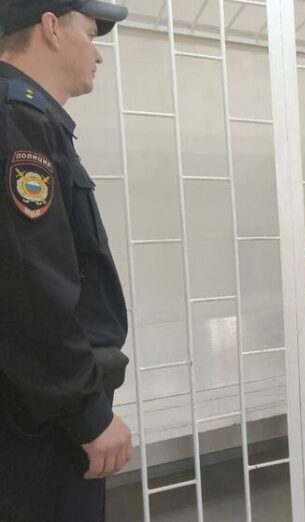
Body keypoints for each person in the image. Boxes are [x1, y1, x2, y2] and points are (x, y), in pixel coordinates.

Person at [0, 2, 131, 521]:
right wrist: (86, 412)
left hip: (38, 402)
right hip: (39, 420)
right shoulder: (17, 120)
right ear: (52, 27)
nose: (98, 54)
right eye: (91, 33)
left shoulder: (29, 119)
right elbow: (30, 287)